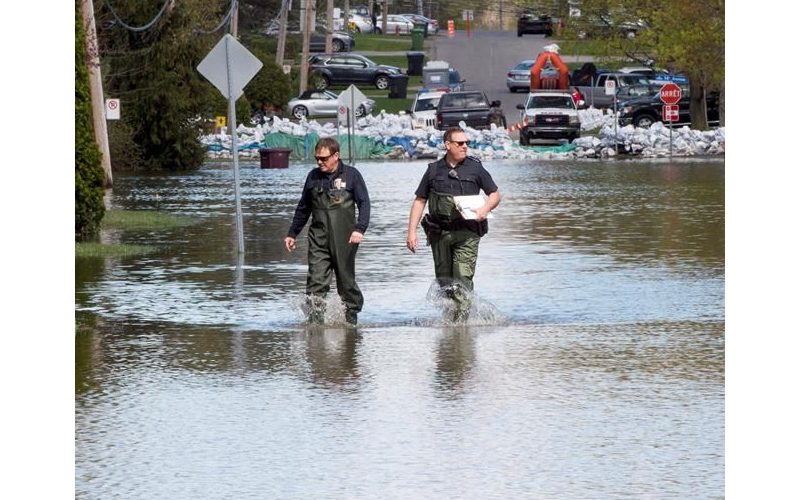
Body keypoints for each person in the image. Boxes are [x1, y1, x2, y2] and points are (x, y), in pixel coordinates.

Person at [405, 127, 502, 322]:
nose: (465, 146)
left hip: (468, 234)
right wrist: (411, 232)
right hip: (439, 235)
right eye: (460, 143)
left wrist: (484, 210)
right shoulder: (433, 170)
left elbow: (495, 195)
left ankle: (461, 327)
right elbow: (419, 200)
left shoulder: (476, 168)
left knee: (462, 279)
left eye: (467, 143)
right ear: (447, 145)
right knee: (444, 283)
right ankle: (450, 322)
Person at [285, 137, 371, 326]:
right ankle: (315, 326)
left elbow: (364, 204)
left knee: (346, 283)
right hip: (319, 240)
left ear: (336, 156)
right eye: (317, 158)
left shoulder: (352, 175)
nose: (319, 162)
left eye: (324, 158)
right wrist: (292, 233)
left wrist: (360, 229)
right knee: (315, 282)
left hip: (346, 239)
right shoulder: (313, 177)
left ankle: (350, 323)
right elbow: (303, 207)